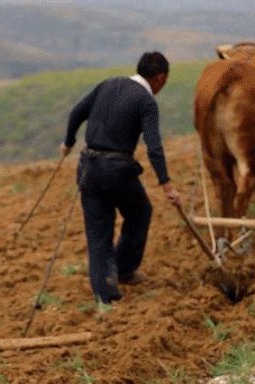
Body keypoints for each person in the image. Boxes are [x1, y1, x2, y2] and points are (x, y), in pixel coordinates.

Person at [60, 51, 181, 304]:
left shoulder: (109, 84)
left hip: (87, 166)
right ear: (160, 78)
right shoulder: (146, 101)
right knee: (140, 212)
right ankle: (125, 269)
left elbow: (76, 112)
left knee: (98, 230)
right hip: (116, 170)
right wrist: (166, 183)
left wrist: (68, 143)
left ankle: (104, 295)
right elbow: (154, 146)